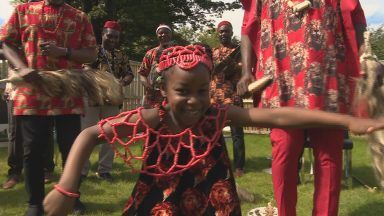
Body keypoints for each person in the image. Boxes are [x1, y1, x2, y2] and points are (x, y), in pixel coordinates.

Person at [43, 44, 384, 216]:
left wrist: (349, 122)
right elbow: (89, 135)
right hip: (162, 204)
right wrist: (67, 187)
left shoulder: (218, 115)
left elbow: (281, 117)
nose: (194, 100)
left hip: (214, 203)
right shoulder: (152, 118)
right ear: (164, 91)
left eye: (202, 91)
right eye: (183, 92)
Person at [237, 0, 367, 215]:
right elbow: (249, 23)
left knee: (329, 154)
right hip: (281, 77)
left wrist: (366, 57)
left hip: (327, 74)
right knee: (285, 149)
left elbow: (356, 18)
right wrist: (245, 71)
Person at [0, 0, 97, 215]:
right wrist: (22, 68)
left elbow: (91, 53)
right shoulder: (23, 10)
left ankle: (70, 198)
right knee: (32, 150)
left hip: (68, 91)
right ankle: (35, 203)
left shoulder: (79, 16)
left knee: (71, 149)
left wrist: (63, 51)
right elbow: (5, 43)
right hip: (32, 92)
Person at [80, 20, 134, 182]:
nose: (113, 40)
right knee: (86, 134)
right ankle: (81, 170)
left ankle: (104, 170)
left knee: (111, 135)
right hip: (92, 98)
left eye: (116, 37)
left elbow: (129, 73)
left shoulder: (122, 55)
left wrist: (122, 82)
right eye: (110, 36)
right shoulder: (92, 51)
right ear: (103, 35)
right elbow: (85, 71)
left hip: (112, 100)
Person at [210, 21, 245, 177]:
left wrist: (235, 66)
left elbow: (244, 69)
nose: (224, 34)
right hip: (214, 97)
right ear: (218, 33)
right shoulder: (212, 52)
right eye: (221, 31)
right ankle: (214, 163)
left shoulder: (238, 51)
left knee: (237, 133)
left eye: (227, 31)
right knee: (213, 133)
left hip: (233, 96)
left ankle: (239, 167)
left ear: (231, 33)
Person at [138, 24, 176, 108]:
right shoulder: (150, 53)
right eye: (160, 33)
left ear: (171, 35)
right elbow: (142, 73)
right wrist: (147, 86)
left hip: (172, 95)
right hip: (153, 96)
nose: (163, 35)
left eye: (166, 33)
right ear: (157, 35)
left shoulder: (177, 52)